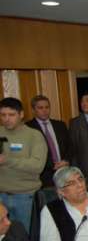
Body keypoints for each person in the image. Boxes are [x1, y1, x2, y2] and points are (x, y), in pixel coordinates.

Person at [0, 97, 47, 233]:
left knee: (25, 238)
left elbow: (37, 165)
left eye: (11, 115)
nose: (6, 119)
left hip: (25, 197)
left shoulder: (34, 135)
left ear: (21, 114)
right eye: (3, 115)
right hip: (1, 195)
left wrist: (7, 160)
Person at [26, 95, 72, 188]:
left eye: (47, 107)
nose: (44, 110)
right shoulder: (28, 128)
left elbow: (70, 146)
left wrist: (66, 161)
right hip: (43, 175)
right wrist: (52, 165)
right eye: (40, 108)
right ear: (33, 110)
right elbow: (29, 152)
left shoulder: (60, 125)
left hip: (64, 171)